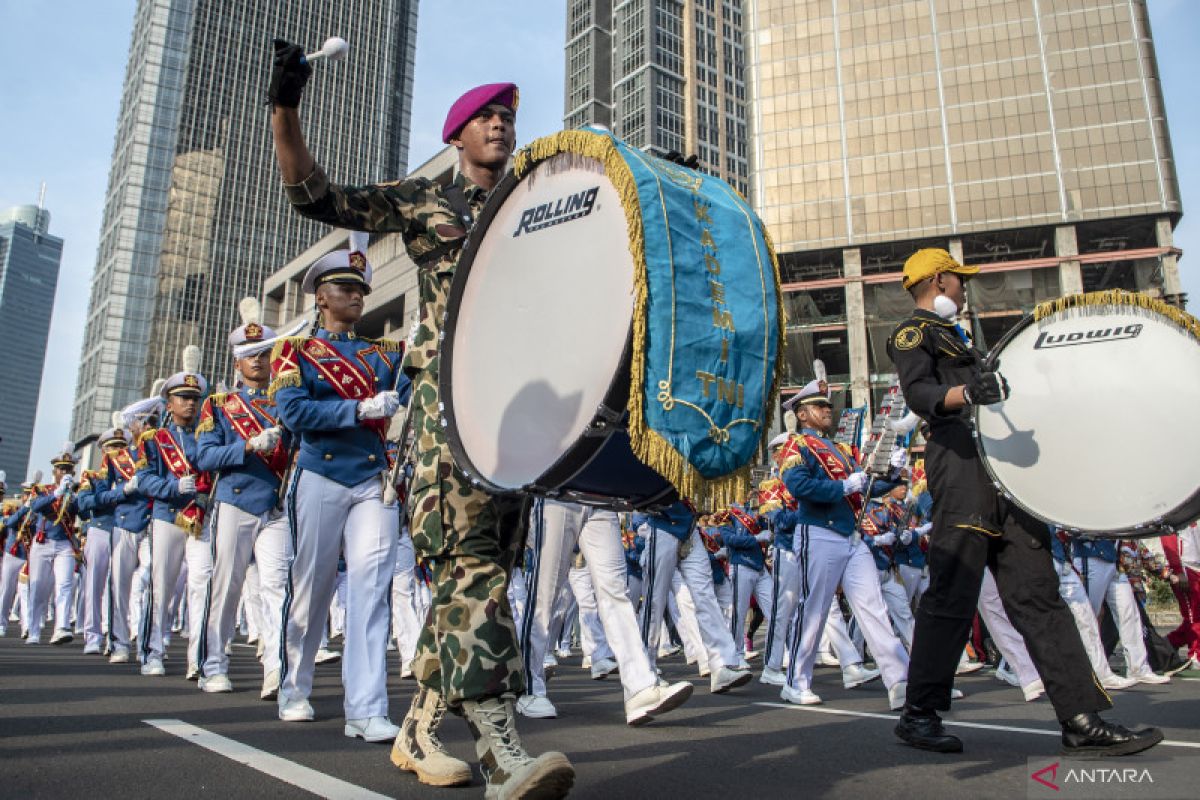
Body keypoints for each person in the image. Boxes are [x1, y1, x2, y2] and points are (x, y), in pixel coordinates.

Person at [268, 40, 573, 797]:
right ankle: (504, 753)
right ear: (457, 136)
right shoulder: (416, 199)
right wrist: (285, 108)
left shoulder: (530, 208)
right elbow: (316, 197)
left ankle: (416, 730)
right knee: (471, 566)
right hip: (446, 409)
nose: (502, 126)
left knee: (485, 575)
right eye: (487, 117)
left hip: (517, 414)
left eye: (509, 117)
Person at [887, 247, 1161, 755]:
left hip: (1002, 477)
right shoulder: (915, 332)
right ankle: (918, 714)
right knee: (951, 596)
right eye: (960, 280)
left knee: (1039, 596)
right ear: (941, 281)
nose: (964, 289)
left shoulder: (962, 338)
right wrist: (968, 395)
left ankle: (1081, 717)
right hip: (962, 471)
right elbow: (920, 394)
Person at [269, 234, 404, 742]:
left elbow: (426, 373)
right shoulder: (293, 352)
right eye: (345, 288)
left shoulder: (384, 355)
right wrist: (359, 409)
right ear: (321, 296)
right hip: (320, 473)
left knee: (372, 592)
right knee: (312, 585)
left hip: (371, 478)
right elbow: (294, 413)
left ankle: (366, 708)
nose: (357, 297)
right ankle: (294, 685)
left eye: (360, 290)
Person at [775, 380, 910, 709]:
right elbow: (799, 486)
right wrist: (843, 485)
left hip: (851, 535)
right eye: (821, 407)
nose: (827, 411)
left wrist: (890, 472)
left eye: (827, 407)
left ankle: (900, 680)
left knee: (873, 607)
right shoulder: (797, 446)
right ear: (803, 414)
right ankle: (795, 681)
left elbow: (865, 488)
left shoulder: (841, 450)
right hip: (818, 531)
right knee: (814, 609)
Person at [517, 499, 692, 726]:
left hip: (601, 498)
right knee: (545, 595)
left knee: (617, 592)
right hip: (557, 492)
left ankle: (639, 686)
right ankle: (531, 689)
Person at [195, 297, 293, 698]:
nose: (258, 361)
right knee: (227, 586)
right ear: (237, 362)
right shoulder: (219, 406)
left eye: (264, 354)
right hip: (234, 500)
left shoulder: (285, 401)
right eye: (250, 356)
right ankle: (213, 664)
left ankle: (275, 668)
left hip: (276, 502)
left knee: (277, 586)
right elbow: (203, 456)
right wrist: (248, 446)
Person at [136, 348, 212, 678]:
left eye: (194, 397)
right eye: (183, 397)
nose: (190, 403)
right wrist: (171, 489)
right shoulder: (155, 439)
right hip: (168, 515)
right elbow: (143, 479)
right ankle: (153, 650)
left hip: (201, 516)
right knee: (162, 587)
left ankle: (198, 657)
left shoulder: (208, 433)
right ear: (169, 403)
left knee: (201, 585)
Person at [27, 444, 82, 645]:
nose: (65, 472)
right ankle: (32, 630)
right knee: (38, 588)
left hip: (64, 544)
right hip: (43, 542)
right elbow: (36, 506)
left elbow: (83, 513)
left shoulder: (75, 492)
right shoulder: (44, 490)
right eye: (61, 469)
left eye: (68, 469)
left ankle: (61, 627)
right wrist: (58, 493)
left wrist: (74, 497)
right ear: (55, 471)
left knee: (65, 585)